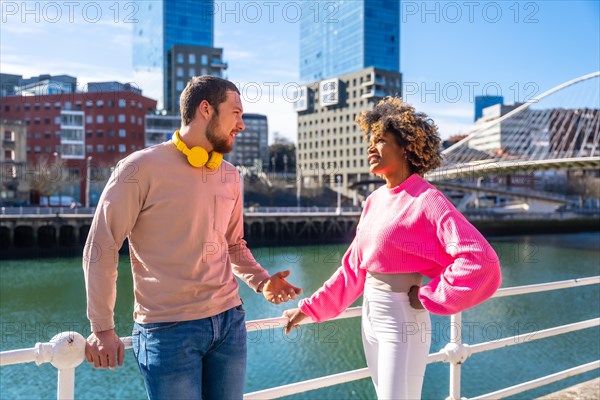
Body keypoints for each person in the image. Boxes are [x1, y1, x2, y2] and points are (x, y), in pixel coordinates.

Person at [83, 76, 302, 400]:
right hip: (167, 331)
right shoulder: (138, 169)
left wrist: (262, 281)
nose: (241, 124)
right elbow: (101, 247)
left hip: (229, 324)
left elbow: (232, 245)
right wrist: (102, 327)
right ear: (205, 109)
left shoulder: (230, 175)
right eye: (236, 113)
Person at [284, 97, 501, 400]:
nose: (371, 148)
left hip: (403, 316)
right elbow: (352, 269)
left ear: (405, 148)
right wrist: (308, 309)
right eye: (370, 140)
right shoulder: (374, 200)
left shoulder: (427, 199)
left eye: (381, 140)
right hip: (370, 314)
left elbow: (481, 259)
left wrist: (429, 295)